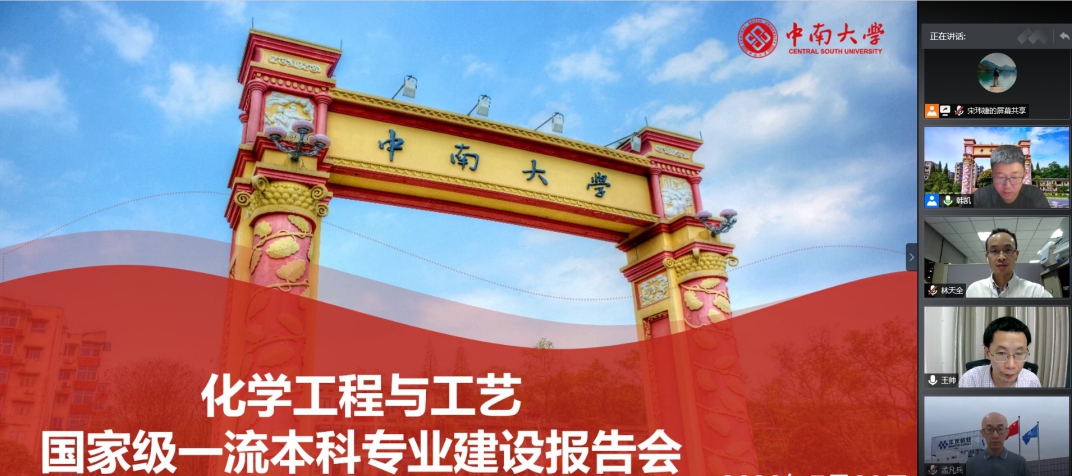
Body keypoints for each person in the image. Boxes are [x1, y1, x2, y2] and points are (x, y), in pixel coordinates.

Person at [965, 228, 1053, 298]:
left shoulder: (1036, 293)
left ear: (1016, 255)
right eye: (994, 251)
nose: (1001, 257)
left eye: (1007, 250)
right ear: (987, 256)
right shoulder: (974, 290)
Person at [959, 316, 1041, 387]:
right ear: (987, 353)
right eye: (1002, 353)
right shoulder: (970, 380)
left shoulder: (1032, 381)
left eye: (1019, 353)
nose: (1011, 365)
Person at [971, 145, 1050, 208]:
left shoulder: (1035, 195)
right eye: (1001, 177)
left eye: (1014, 177)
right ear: (993, 175)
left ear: (1024, 174)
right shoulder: (978, 196)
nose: (1007, 186)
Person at [965, 412, 1031, 476]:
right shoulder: (971, 464)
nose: (995, 435)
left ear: (1007, 432)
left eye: (1000, 429)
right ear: (982, 433)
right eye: (989, 429)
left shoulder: (1019, 463)